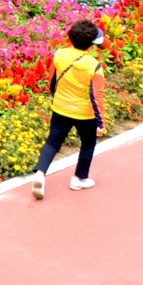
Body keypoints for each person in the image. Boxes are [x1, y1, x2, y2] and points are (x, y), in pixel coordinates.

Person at [32, 19, 107, 198]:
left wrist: (56, 98)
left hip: (61, 108)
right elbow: (97, 97)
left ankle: (41, 174)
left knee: (52, 142)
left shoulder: (60, 54)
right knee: (88, 144)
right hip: (84, 114)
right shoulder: (94, 66)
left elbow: (52, 79)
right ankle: (79, 179)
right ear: (92, 45)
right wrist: (101, 122)